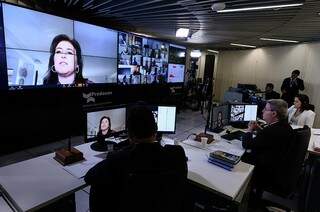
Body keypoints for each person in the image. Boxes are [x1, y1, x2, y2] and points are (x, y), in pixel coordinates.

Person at [84, 105, 188, 212]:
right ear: (156, 130)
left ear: (129, 134)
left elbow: (89, 177)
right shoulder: (177, 153)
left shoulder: (118, 159)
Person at [241, 99, 294, 196]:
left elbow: (247, 144)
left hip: (264, 170)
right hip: (277, 168)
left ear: (273, 113)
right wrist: (259, 129)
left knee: (240, 157)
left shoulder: (270, 131)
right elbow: (269, 139)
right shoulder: (286, 126)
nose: (262, 111)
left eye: (265, 109)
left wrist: (249, 130)